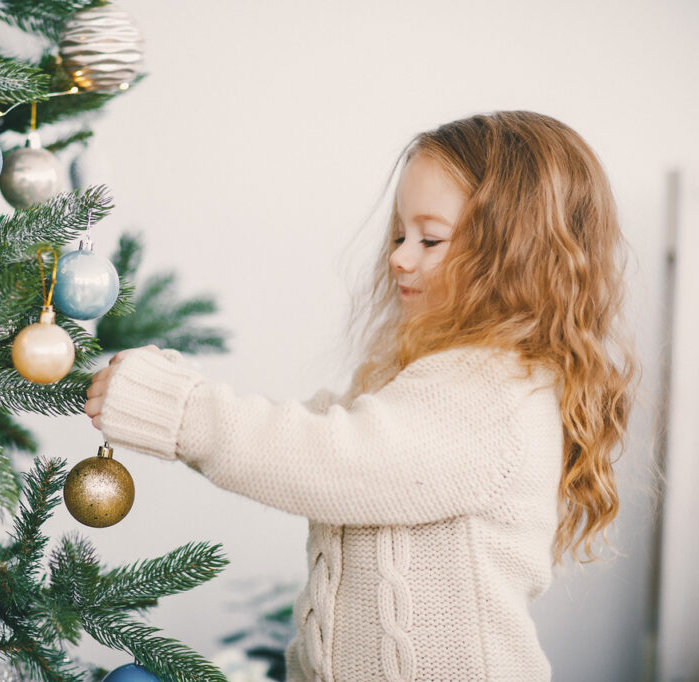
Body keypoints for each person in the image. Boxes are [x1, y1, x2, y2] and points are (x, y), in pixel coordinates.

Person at [84, 111, 638, 682]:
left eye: (430, 238)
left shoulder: (491, 395)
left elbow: (327, 458)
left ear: (516, 259)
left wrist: (180, 409)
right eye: (400, 234)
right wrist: (172, 394)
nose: (399, 256)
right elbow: (320, 431)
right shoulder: (433, 381)